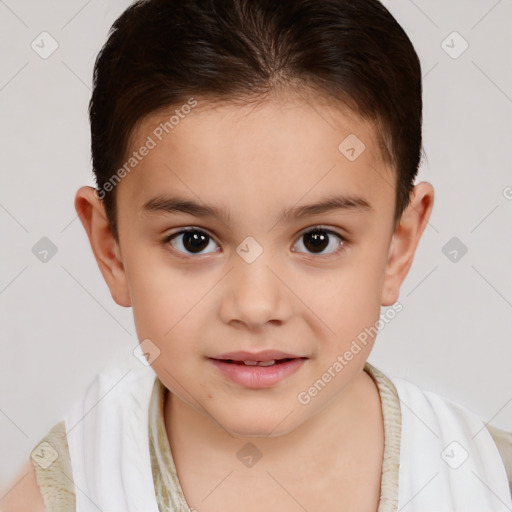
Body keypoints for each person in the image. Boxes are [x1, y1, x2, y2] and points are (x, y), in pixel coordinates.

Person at [2, 0, 511, 510]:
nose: (255, 305)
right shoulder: (63, 492)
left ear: (398, 247)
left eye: (318, 240)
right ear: (111, 249)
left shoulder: (490, 482)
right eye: (194, 240)